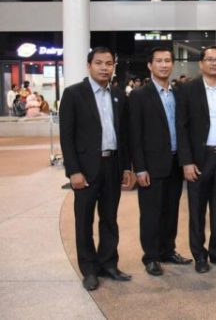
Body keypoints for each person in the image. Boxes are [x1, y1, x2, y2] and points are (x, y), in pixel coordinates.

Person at [59, 46, 134, 291]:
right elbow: (66, 136)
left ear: (114, 67)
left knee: (110, 218)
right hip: (85, 169)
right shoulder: (73, 94)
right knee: (84, 221)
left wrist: (126, 167)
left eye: (109, 63)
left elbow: (124, 135)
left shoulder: (118, 95)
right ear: (88, 65)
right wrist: (73, 171)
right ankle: (89, 269)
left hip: (112, 165)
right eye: (99, 63)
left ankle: (109, 263)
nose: (104, 68)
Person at [129, 47, 193, 277]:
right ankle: (151, 256)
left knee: (171, 210)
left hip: (175, 163)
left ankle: (168, 250)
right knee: (151, 213)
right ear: (150, 65)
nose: (164, 65)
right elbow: (135, 135)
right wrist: (140, 168)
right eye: (159, 61)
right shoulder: (139, 95)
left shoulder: (179, 92)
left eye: (167, 61)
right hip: (152, 165)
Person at [176, 45, 216, 274]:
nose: (214, 63)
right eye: (210, 59)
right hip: (199, 160)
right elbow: (182, 128)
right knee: (197, 211)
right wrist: (186, 161)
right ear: (201, 64)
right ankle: (199, 255)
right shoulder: (188, 89)